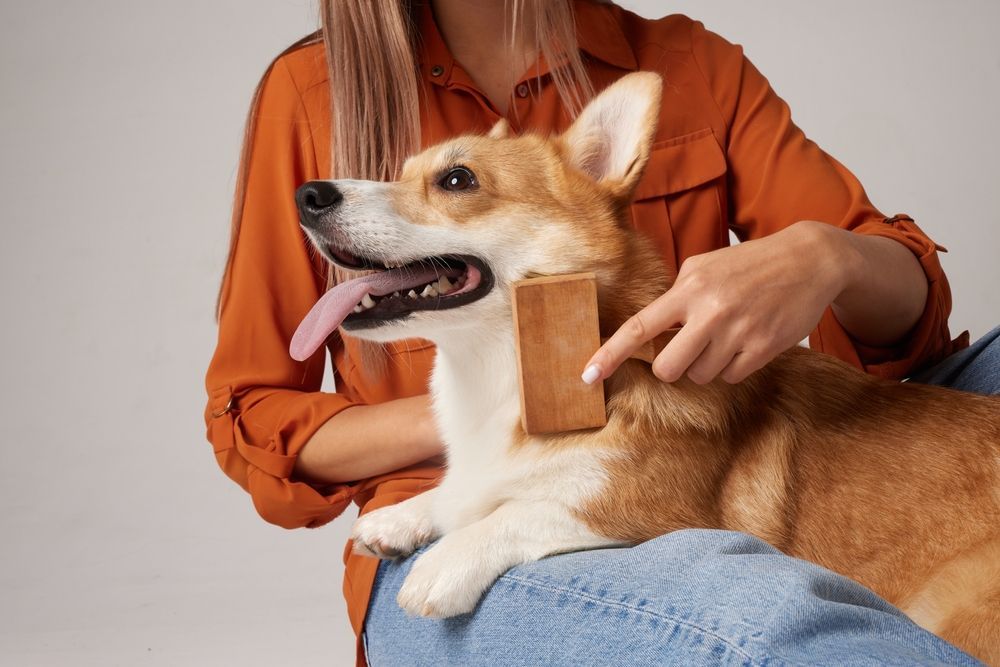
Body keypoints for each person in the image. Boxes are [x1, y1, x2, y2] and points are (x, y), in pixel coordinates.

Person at [204, 1, 998, 664]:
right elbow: (252, 415)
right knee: (754, 605)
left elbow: (916, 334)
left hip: (743, 441)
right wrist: (526, 407)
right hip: (455, 521)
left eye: (450, 184)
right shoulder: (311, 91)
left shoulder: (687, 62)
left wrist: (831, 257)